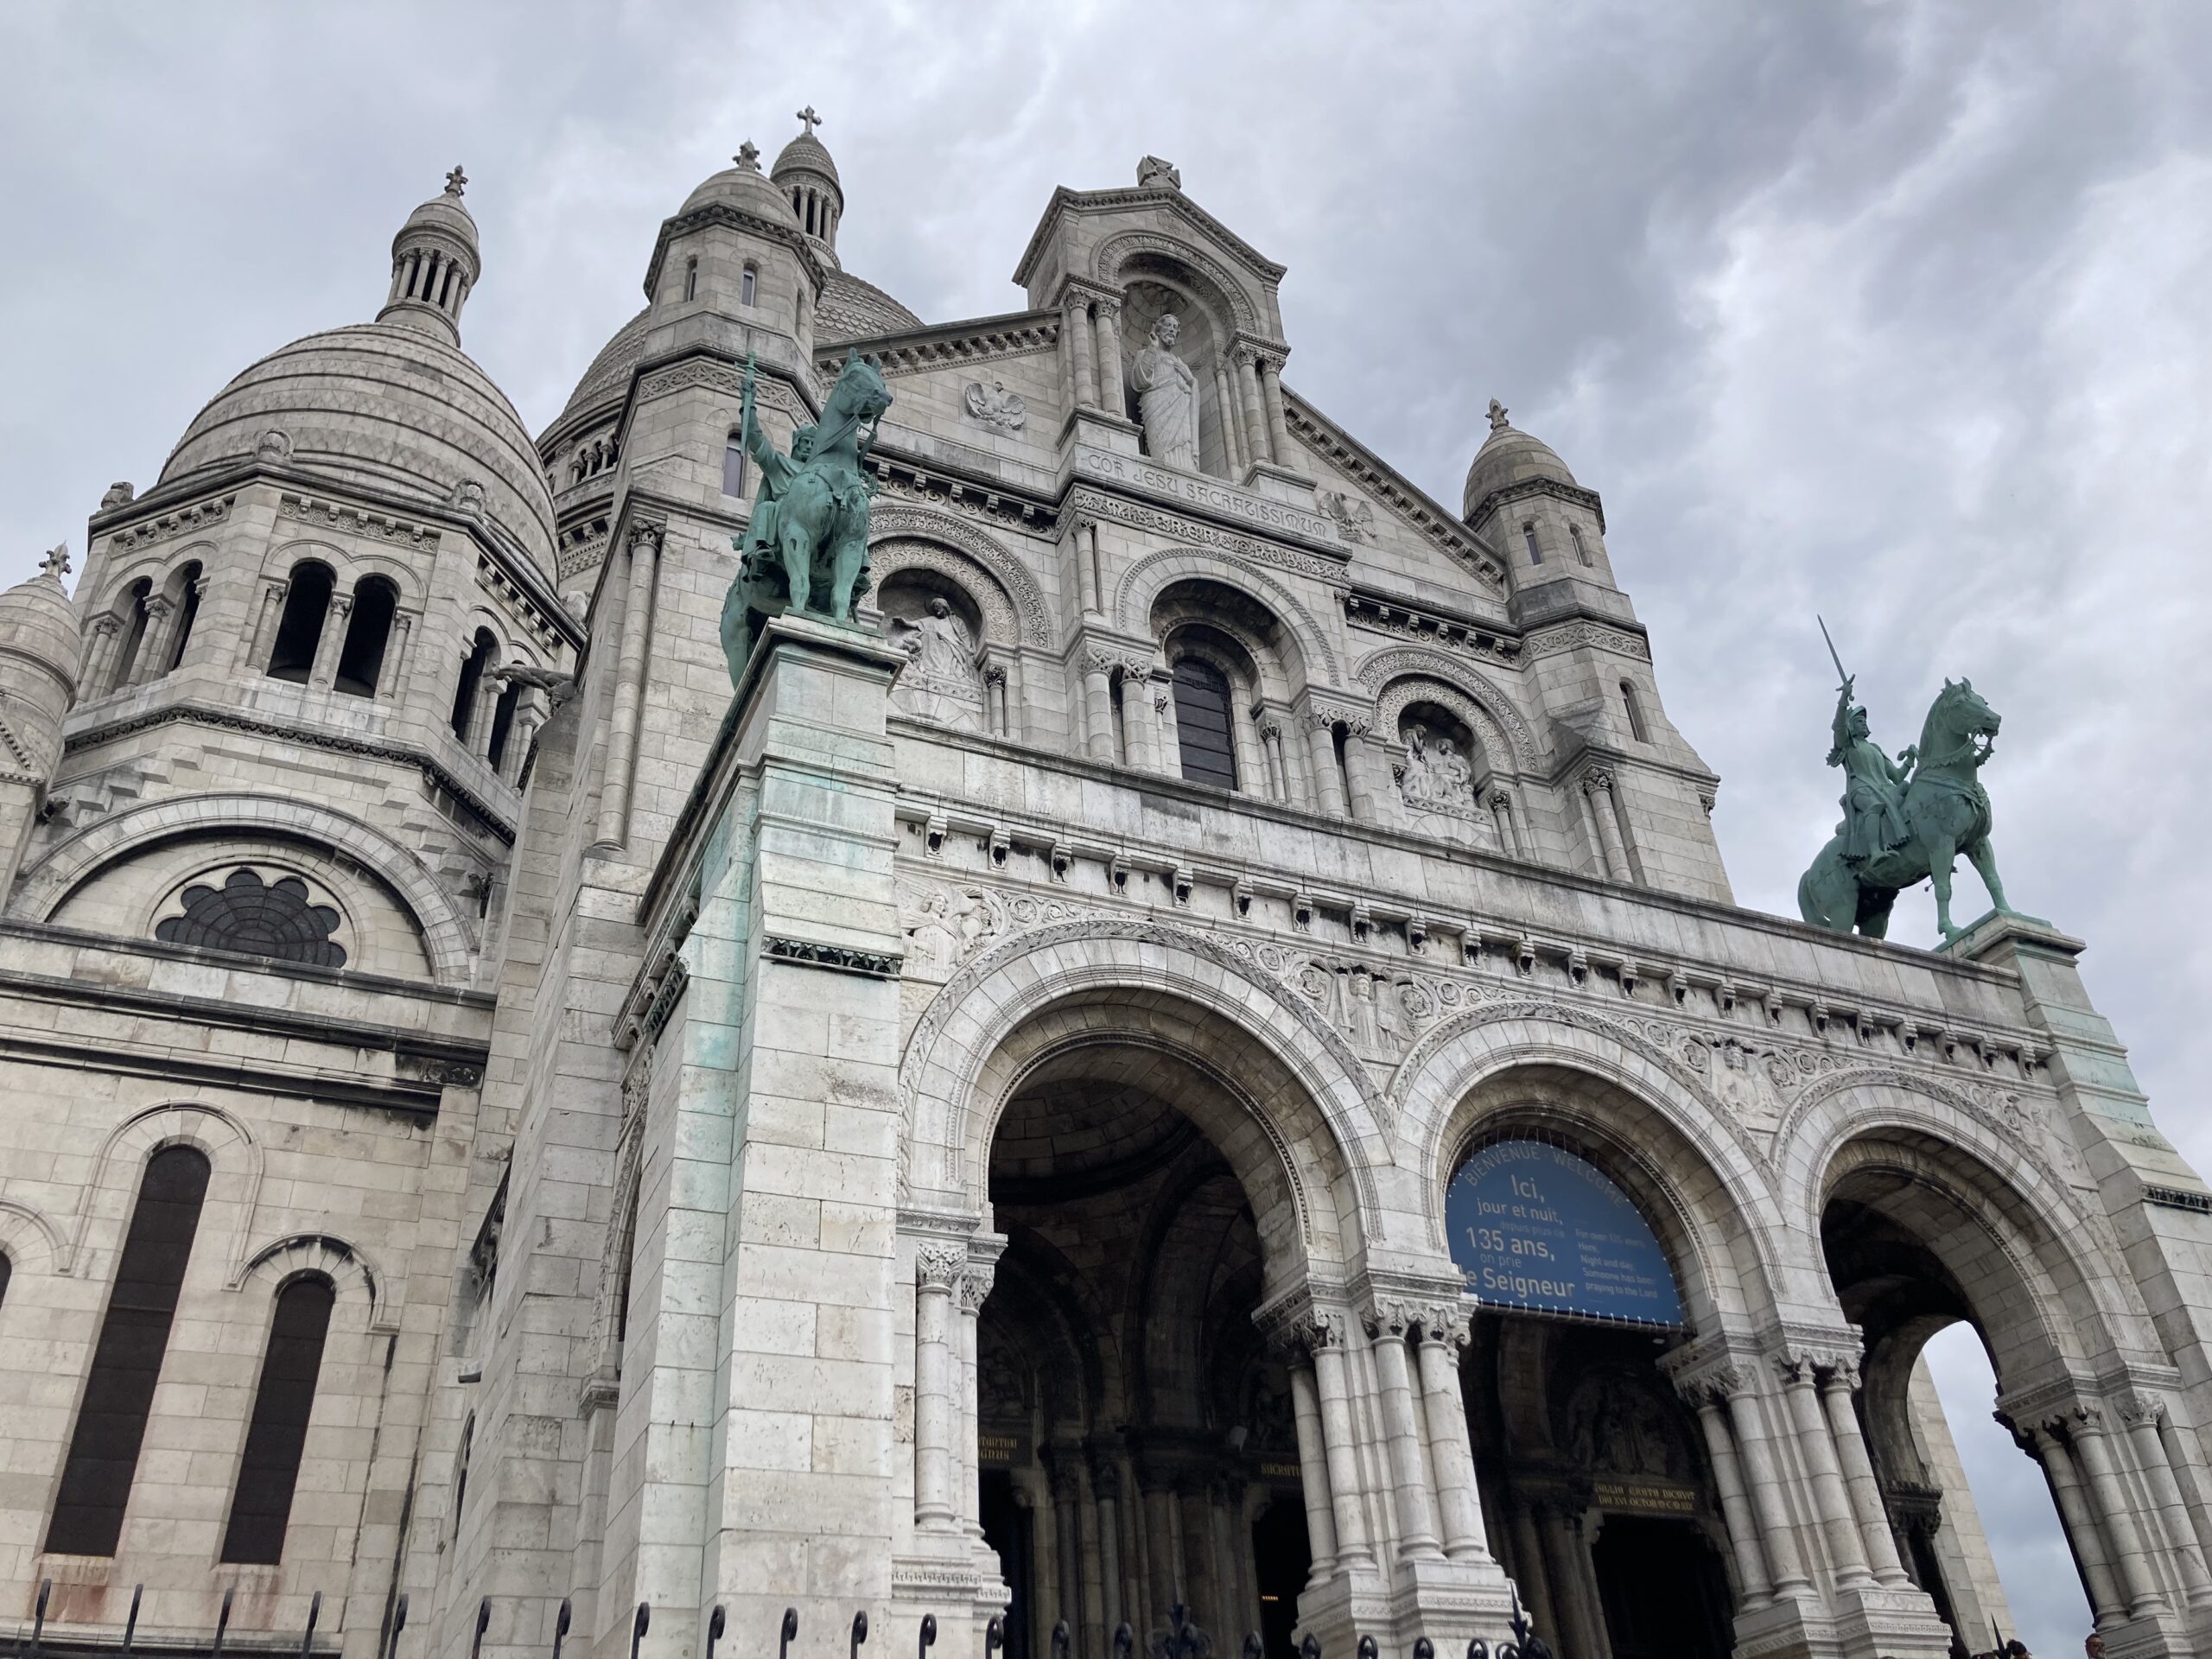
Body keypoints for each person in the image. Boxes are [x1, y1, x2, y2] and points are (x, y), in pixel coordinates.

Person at [1827, 673, 1914, 864]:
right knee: (1874, 806)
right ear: (1851, 726)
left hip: (1884, 788)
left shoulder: (1875, 748)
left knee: (1907, 788)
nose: (1864, 723)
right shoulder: (1848, 744)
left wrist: (1910, 759)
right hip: (1860, 789)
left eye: (1864, 720)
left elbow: (1897, 776)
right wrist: (1844, 699)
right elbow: (1838, 727)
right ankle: (1875, 852)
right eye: (1859, 721)